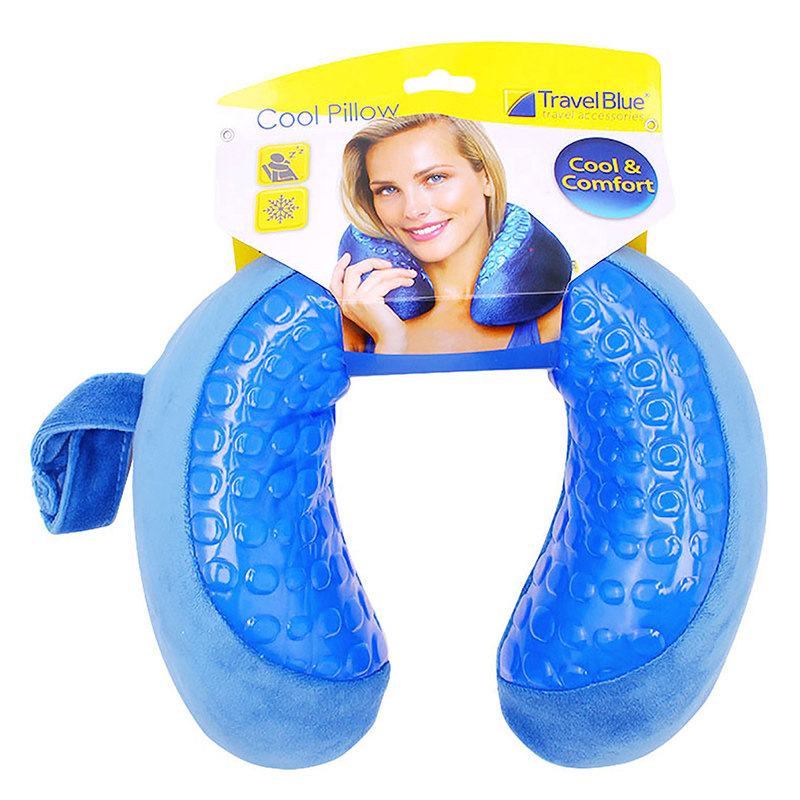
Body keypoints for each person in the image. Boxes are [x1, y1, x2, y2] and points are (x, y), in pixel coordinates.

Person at [331, 114, 563, 354]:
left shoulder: (558, 318)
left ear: (487, 178)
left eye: (435, 178)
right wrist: (389, 339)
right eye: (388, 190)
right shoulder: (351, 326)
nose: (412, 210)